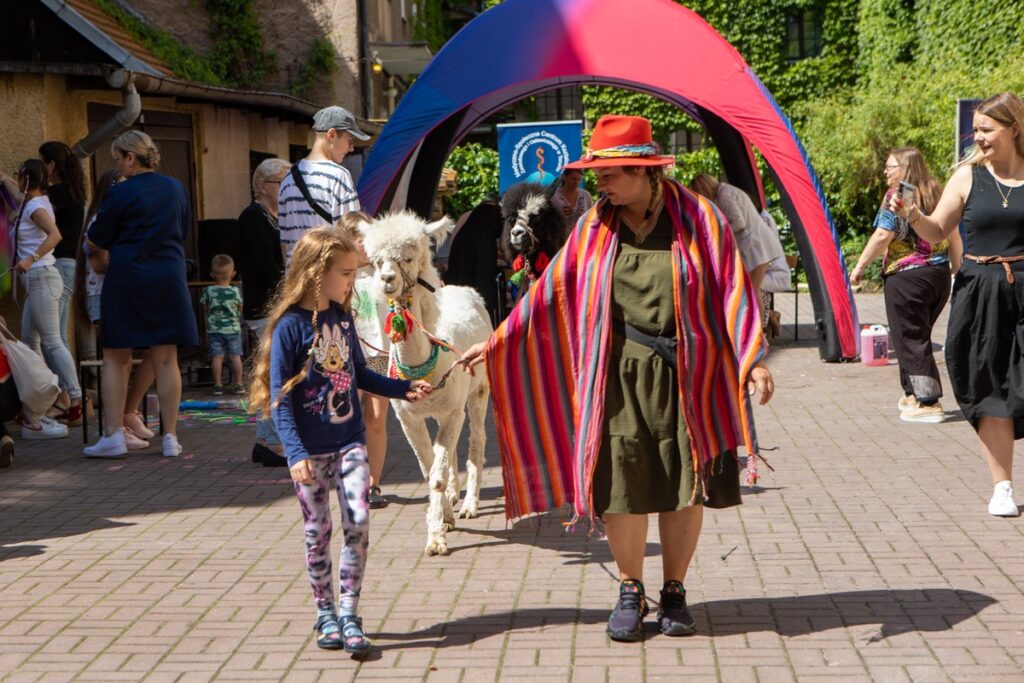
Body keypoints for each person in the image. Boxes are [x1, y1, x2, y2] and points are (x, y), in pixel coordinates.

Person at [460, 115, 773, 642]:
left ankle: (674, 591)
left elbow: (730, 287)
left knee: (684, 484)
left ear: (643, 172)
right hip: (616, 375)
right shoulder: (594, 227)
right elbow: (548, 293)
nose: (597, 185)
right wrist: (495, 343)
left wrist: (752, 358)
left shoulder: (700, 219)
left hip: (688, 375)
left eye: (608, 175)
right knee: (620, 486)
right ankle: (631, 588)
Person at [248, 228, 431, 655]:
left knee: (359, 524)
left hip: (350, 441)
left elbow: (359, 374)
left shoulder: (344, 319)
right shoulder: (290, 327)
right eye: (346, 273)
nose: (353, 281)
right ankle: (325, 612)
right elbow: (281, 398)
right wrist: (293, 453)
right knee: (318, 532)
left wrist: (403, 388)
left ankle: (349, 612)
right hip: (309, 452)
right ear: (316, 274)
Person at [891, 92, 1024, 517]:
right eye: (976, 130)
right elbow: (934, 232)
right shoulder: (967, 176)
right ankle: (1001, 486)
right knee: (989, 386)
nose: (978, 138)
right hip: (979, 290)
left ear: (1014, 128)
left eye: (987, 130)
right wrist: (912, 214)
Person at [83, 130, 198, 459]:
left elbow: (97, 238)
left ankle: (113, 436)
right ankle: (171, 437)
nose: (117, 165)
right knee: (166, 358)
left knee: (116, 357)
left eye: (119, 158)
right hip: (169, 277)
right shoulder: (177, 188)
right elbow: (184, 229)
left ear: (131, 157)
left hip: (127, 278)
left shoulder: (119, 193)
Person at [851, 147, 962, 423]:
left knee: (910, 337)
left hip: (908, 277)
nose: (885, 172)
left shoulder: (902, 194)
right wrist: (957, 272)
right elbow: (955, 233)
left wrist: (860, 266)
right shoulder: (939, 191)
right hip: (938, 276)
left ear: (905, 169)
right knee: (914, 335)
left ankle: (928, 402)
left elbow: (882, 234)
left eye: (890, 167)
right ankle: (912, 393)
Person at [0, 159, 81, 437]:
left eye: (18, 177)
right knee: (28, 340)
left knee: (51, 340)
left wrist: (29, 259)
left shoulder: (36, 206)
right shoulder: (31, 204)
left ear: (26, 178)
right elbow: (19, 221)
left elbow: (54, 235)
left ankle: (74, 397)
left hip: (42, 275)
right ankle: (40, 404)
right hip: (35, 279)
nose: (17, 181)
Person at [336, 211, 393, 508]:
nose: (369, 246)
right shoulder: (336, 275)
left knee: (376, 419)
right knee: (347, 417)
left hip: (379, 356)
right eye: (362, 240)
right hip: (346, 358)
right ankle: (348, 478)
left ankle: (374, 484)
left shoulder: (383, 271)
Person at [238, 158, 290, 466]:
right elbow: (265, 266)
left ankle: (263, 440)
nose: (287, 191)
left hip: (275, 305)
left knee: (268, 373)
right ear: (262, 186)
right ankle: (275, 444)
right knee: (274, 375)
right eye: (282, 184)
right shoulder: (253, 217)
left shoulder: (276, 217)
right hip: (265, 306)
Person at [278, 106, 368, 265]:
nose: (351, 148)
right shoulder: (339, 176)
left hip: (294, 280)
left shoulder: (287, 179)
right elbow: (351, 237)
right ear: (332, 135)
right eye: (350, 141)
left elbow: (285, 244)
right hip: (328, 277)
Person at [690, 174, 785, 294]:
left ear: (704, 188)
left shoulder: (724, 195)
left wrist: (718, 232)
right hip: (759, 248)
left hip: (758, 249)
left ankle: (755, 314)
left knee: (751, 293)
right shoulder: (726, 192)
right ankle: (758, 314)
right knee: (753, 292)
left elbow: (739, 223)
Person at [38, 141, 87, 358]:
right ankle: (67, 389)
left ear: (52, 165)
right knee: (57, 335)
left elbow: (30, 201)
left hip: (59, 264)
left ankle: (69, 389)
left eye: (42, 162)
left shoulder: (57, 192)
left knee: (53, 338)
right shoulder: (72, 190)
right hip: (69, 265)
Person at [441, 196, 504, 320]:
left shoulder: (469, 224)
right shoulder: (487, 228)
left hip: (458, 296)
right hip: (477, 303)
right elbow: (485, 277)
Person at [201, 254, 244, 396]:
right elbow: (240, 308)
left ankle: (218, 385)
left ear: (212, 274)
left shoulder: (208, 291)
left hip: (215, 329)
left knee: (217, 357)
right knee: (235, 356)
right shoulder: (235, 291)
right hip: (233, 328)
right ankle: (238, 384)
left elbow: (205, 308)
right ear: (233, 274)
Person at [550, 167, 594, 238]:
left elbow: (592, 217)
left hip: (582, 238)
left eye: (579, 180)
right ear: (565, 177)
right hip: (560, 239)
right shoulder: (554, 196)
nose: (576, 182)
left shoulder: (586, 195)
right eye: (573, 179)